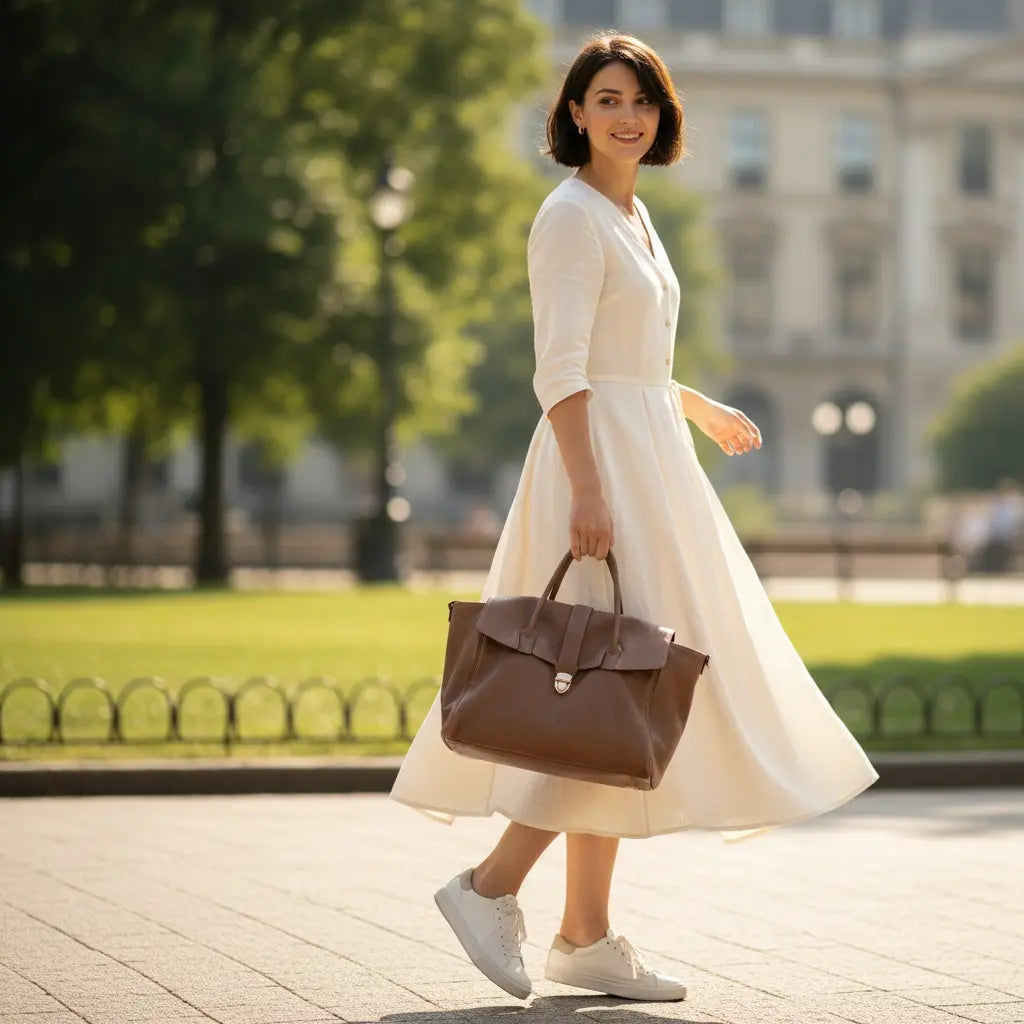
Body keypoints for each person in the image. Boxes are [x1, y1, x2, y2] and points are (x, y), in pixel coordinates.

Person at [389, 32, 879, 1003]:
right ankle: (489, 886)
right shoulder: (569, 216)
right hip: (602, 470)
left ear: (661, 117)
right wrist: (589, 489)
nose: (626, 116)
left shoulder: (632, 217)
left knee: (624, 693)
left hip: (648, 454)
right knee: (609, 688)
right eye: (606, 99)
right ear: (573, 113)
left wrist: (693, 404)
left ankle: (585, 933)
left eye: (641, 101)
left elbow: (626, 356)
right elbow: (560, 369)